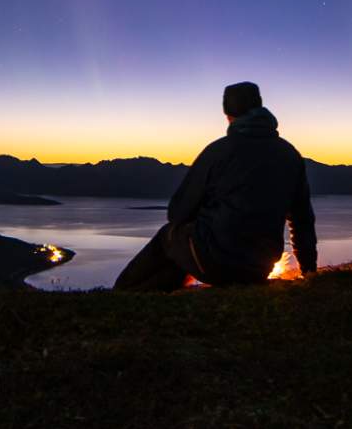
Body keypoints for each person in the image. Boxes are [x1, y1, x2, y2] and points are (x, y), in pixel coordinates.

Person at [113, 81, 317, 290]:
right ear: (260, 107)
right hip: (258, 267)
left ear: (228, 114)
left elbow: (177, 212)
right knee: (183, 245)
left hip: (214, 262)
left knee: (170, 235)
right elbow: (302, 220)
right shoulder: (290, 155)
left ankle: (123, 291)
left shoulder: (218, 152)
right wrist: (309, 270)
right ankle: (153, 292)